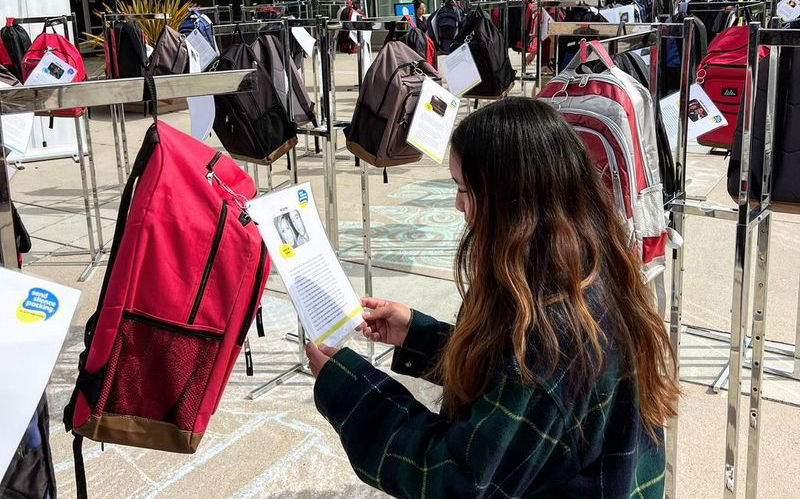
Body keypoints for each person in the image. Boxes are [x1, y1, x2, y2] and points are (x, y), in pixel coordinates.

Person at [304, 98, 679, 498]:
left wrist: (349, 386)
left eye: (464, 189)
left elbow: (459, 479)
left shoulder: (549, 339)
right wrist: (418, 335)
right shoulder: (584, 267)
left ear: (510, 202)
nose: (458, 204)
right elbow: (502, 388)